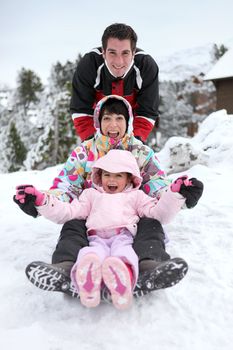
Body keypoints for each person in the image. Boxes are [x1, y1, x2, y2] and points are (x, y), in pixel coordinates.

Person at [14, 95, 203, 302]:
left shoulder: (141, 153)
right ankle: (66, 267)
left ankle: (149, 265)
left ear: (128, 121)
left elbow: (158, 187)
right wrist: (40, 202)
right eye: (107, 118)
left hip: (133, 218)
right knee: (72, 224)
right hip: (91, 216)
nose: (113, 125)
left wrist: (180, 196)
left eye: (119, 118)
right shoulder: (84, 153)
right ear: (98, 122)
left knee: (152, 224)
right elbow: (66, 187)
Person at [16, 150, 187, 310]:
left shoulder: (136, 196)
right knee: (90, 255)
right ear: (99, 176)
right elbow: (69, 212)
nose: (111, 180)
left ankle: (122, 282)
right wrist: (42, 202)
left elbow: (157, 213)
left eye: (118, 175)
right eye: (107, 175)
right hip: (96, 237)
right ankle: (87, 281)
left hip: (124, 236)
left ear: (129, 179)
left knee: (124, 255)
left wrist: (174, 195)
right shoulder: (90, 195)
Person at [70, 22, 160, 142]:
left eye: (125, 53)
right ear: (103, 52)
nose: (119, 62)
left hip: (131, 125)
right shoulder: (89, 65)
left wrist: (134, 141)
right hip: (99, 123)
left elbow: (147, 112)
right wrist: (93, 142)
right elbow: (81, 109)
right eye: (112, 53)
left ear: (133, 53)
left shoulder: (146, 67)